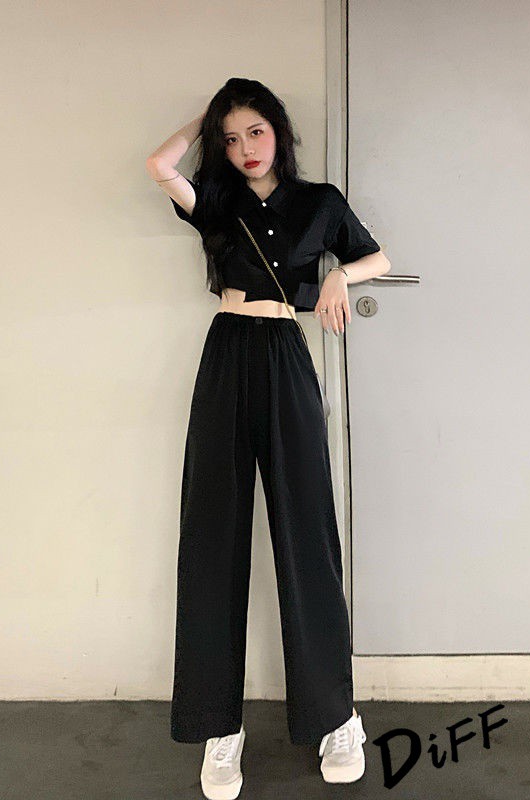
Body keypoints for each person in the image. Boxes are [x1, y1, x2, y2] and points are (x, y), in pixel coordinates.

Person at [146, 77, 391, 799]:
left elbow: (377, 256)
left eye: (255, 131)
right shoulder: (215, 202)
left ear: (278, 131)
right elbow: (159, 165)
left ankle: (336, 717)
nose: (245, 148)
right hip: (225, 353)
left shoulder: (320, 202)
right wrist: (208, 114)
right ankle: (219, 728)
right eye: (231, 137)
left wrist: (340, 275)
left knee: (307, 532)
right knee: (212, 533)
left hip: (286, 356)